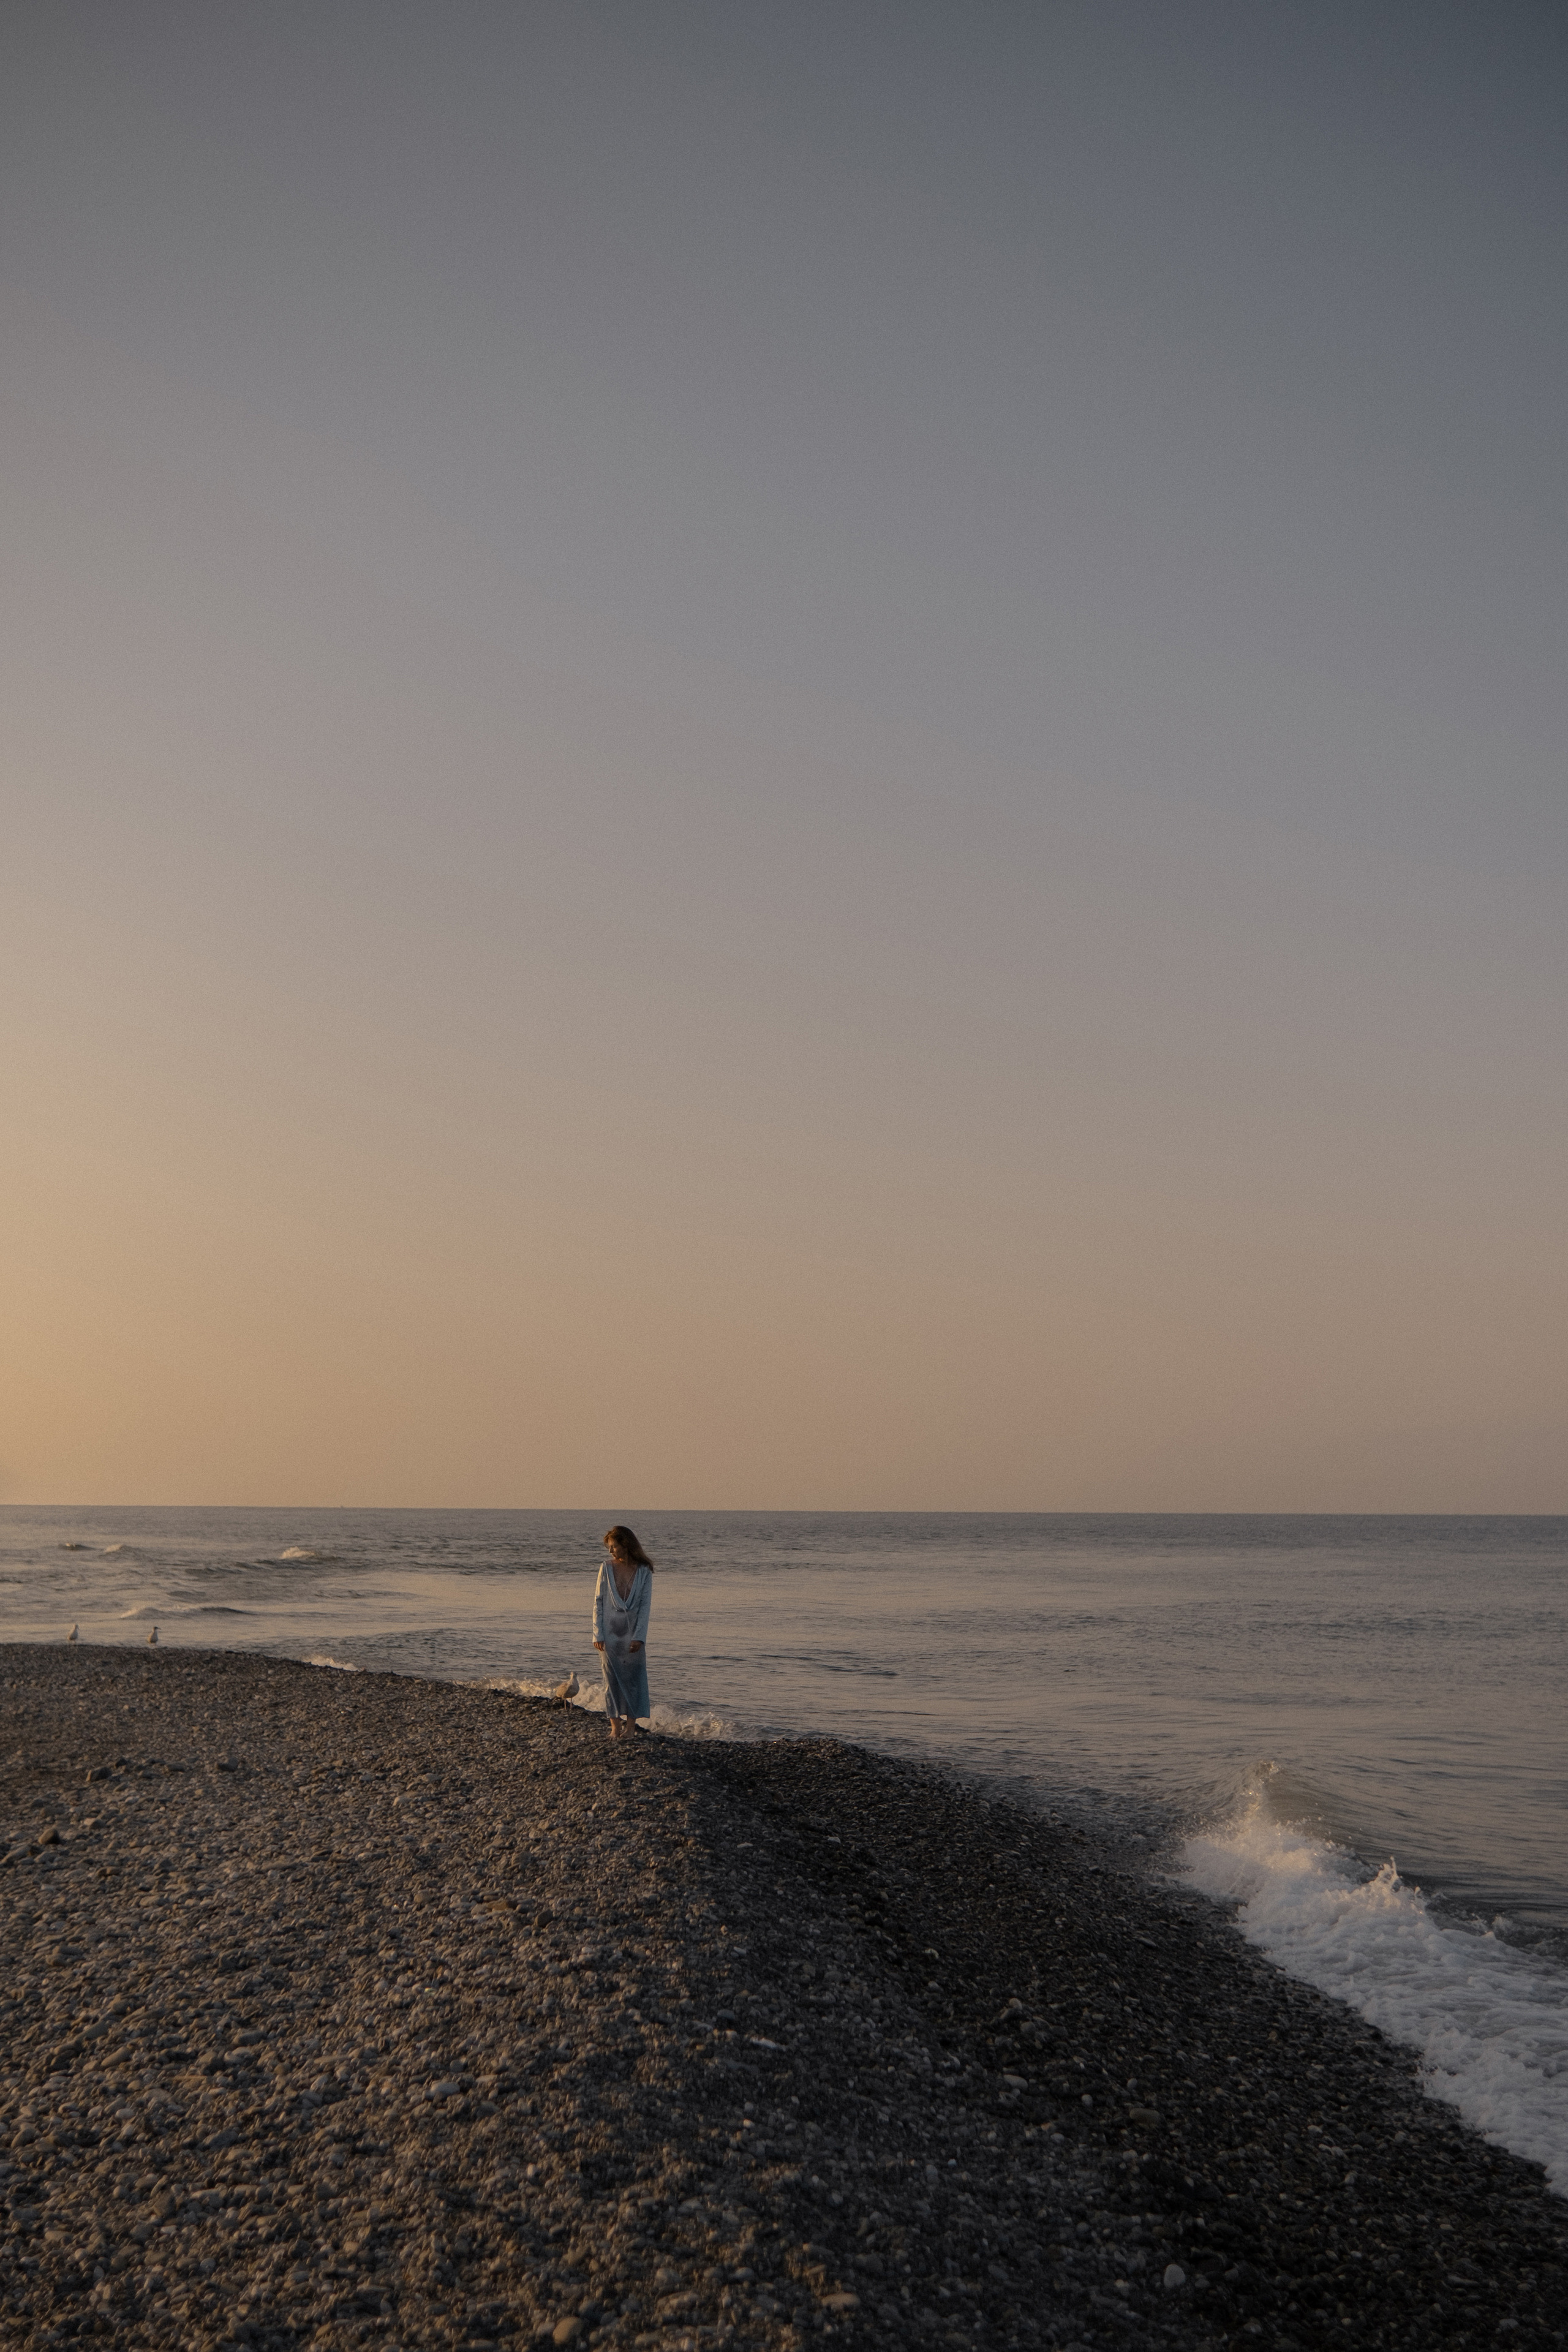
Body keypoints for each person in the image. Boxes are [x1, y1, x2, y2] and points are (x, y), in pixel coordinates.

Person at [593, 1523, 654, 1740]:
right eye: (609, 1547)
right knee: (611, 1680)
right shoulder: (606, 1568)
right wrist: (597, 1633)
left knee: (634, 1680)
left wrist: (640, 1636)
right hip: (609, 1634)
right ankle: (615, 1727)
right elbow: (598, 1602)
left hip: (632, 1634)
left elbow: (645, 1606)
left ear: (626, 1545)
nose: (610, 1551)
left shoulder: (644, 1571)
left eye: (614, 1546)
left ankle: (630, 1728)